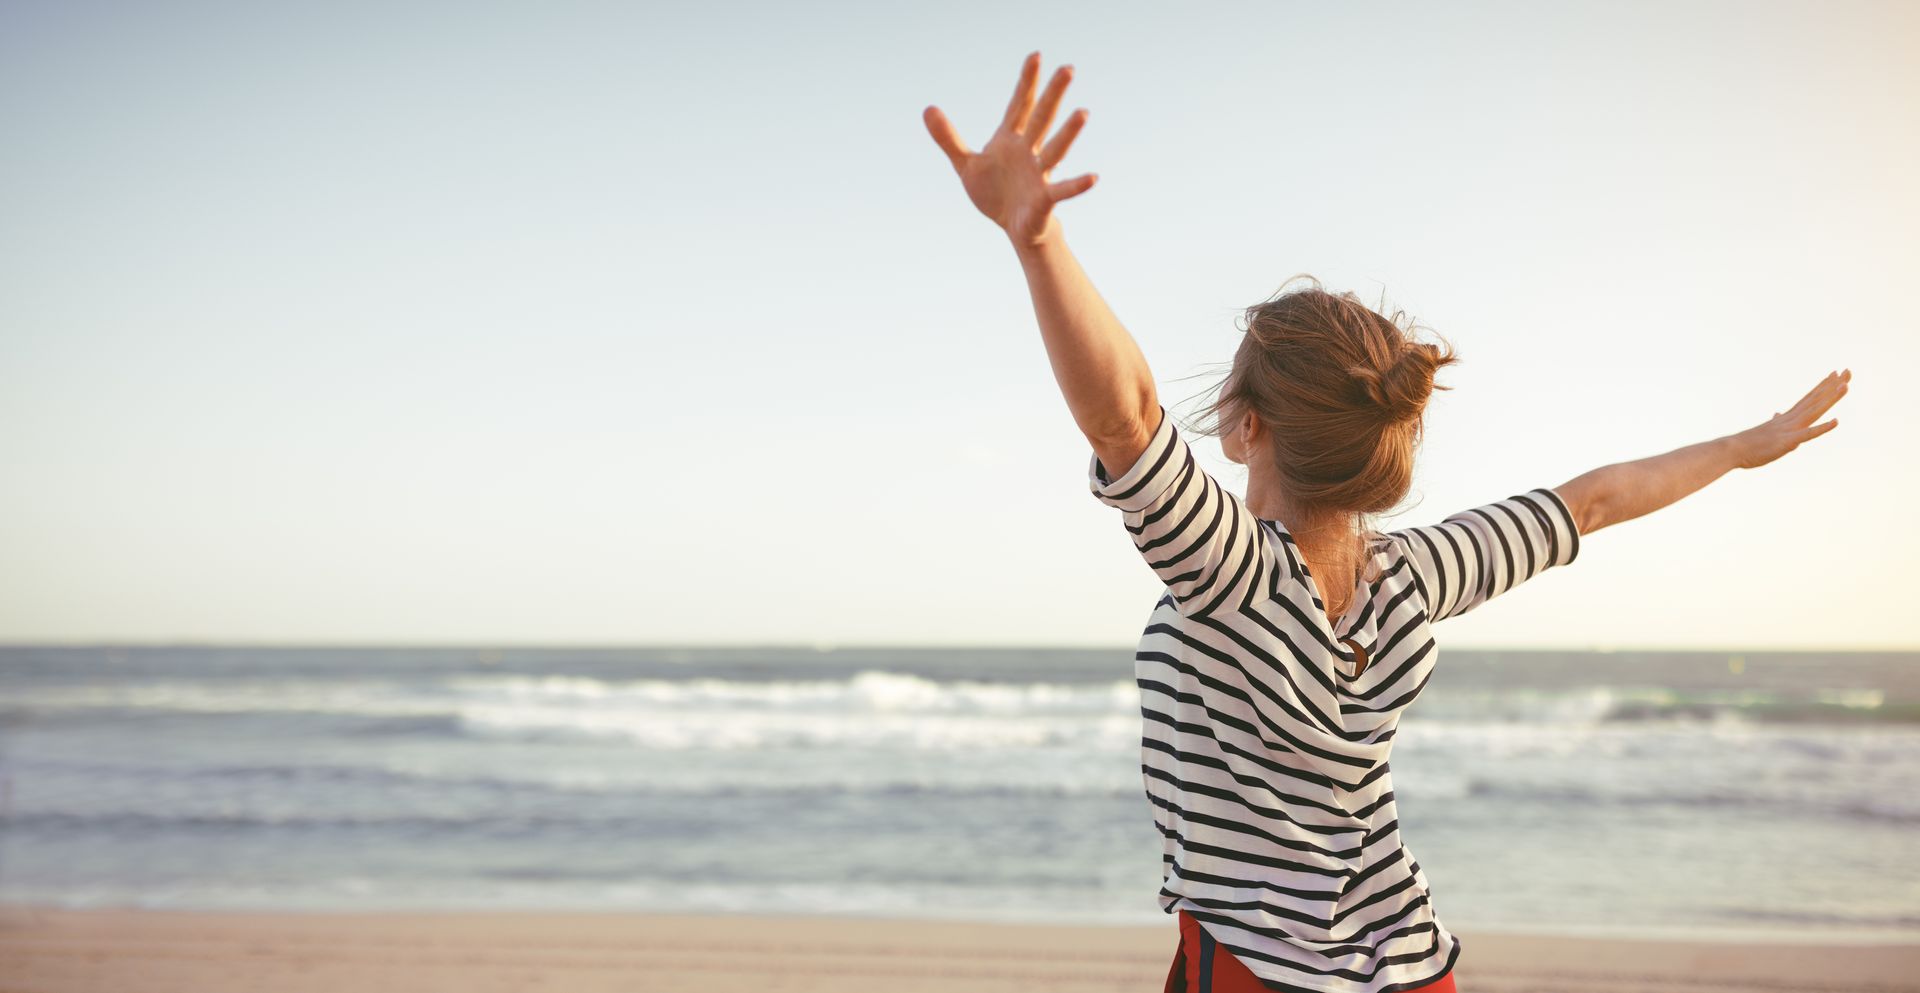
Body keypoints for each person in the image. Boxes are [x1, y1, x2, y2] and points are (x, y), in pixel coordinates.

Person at [924, 52, 1852, 992]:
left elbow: (1124, 416)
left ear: (1248, 429)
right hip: (1412, 964)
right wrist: (1738, 447)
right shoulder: (1417, 575)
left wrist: (1038, 245)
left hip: (1256, 972)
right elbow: (1592, 502)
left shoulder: (1230, 572)